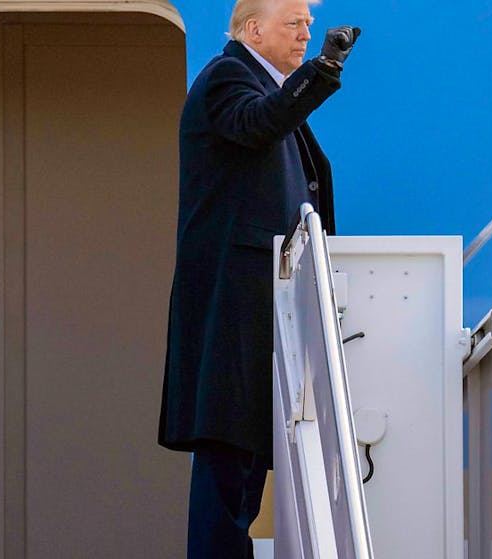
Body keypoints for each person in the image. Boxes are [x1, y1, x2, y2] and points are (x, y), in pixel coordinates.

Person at [158, 0, 359, 556]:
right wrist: (323, 72)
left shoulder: (256, 85)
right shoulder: (228, 76)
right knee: (228, 464)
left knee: (243, 464)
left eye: (309, 26)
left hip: (259, 309)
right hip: (235, 307)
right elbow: (258, 123)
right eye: (294, 24)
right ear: (253, 30)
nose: (306, 34)